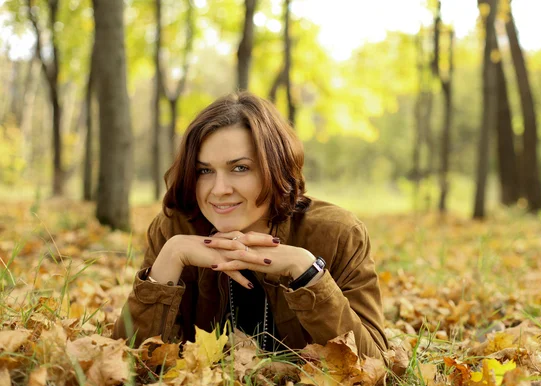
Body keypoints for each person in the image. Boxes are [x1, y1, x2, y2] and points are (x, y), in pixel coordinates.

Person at [112, 92, 388, 359]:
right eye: (204, 171)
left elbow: (375, 366)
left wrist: (307, 274)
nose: (219, 190)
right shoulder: (175, 228)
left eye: (240, 168)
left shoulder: (338, 233)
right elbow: (124, 363)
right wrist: (170, 259)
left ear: (277, 168)